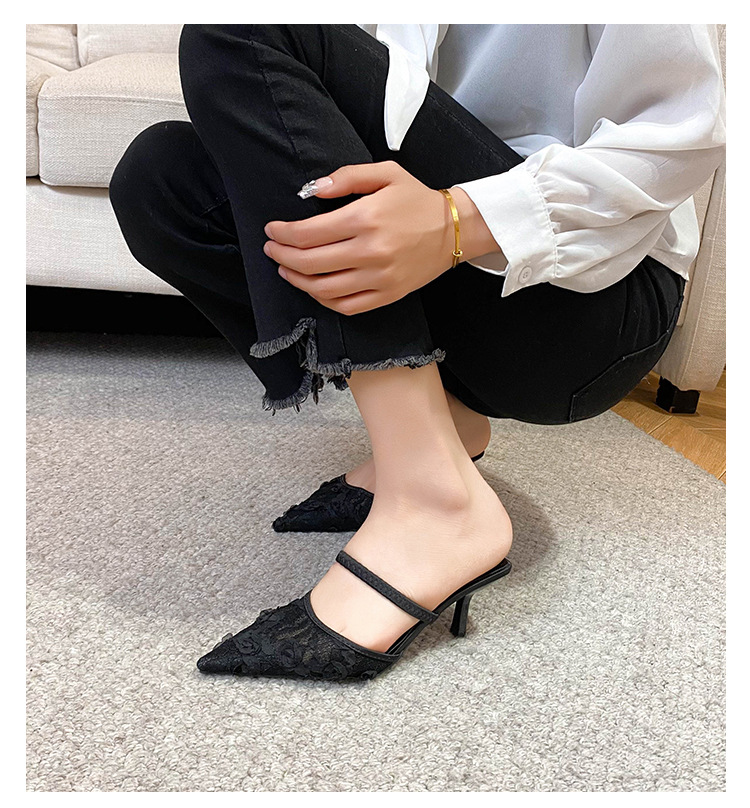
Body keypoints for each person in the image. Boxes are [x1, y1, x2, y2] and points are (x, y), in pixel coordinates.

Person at [108, 24, 726, 681]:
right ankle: (445, 426)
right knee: (162, 176)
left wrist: (457, 219)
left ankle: (434, 502)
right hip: (468, 297)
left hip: (589, 301)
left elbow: (686, 128)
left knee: (244, 24)